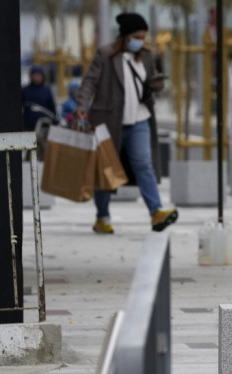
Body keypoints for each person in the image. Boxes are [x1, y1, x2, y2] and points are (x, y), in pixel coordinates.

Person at [75, 12, 177, 234]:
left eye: (143, 37)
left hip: (139, 119)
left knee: (143, 164)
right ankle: (102, 217)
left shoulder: (146, 56)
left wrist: (157, 85)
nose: (140, 41)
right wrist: (82, 107)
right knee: (106, 170)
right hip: (109, 121)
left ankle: (156, 212)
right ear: (125, 36)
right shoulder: (106, 55)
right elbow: (89, 83)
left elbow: (151, 79)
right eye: (137, 36)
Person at [22, 66, 56, 131]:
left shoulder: (47, 90)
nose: (37, 78)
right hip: (28, 124)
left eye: (39, 75)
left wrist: (54, 120)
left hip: (44, 125)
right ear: (31, 76)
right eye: (35, 75)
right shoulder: (25, 90)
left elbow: (52, 107)